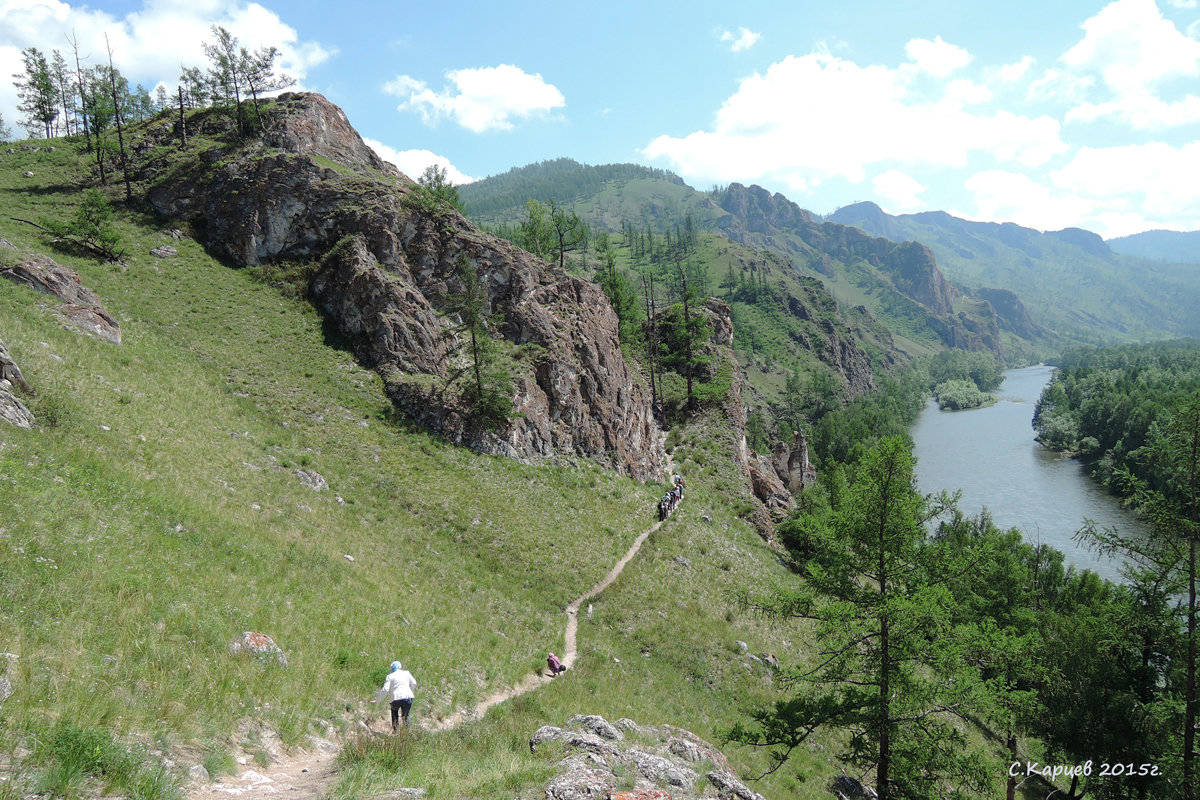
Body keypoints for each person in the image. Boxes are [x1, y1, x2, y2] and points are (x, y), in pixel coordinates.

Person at [375, 660, 418, 730]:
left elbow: (385, 690)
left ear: (392, 668)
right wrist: (411, 692)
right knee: (406, 716)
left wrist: (378, 700)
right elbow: (414, 683)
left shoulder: (389, 676)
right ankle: (408, 734)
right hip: (407, 697)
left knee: (394, 713)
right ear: (400, 667)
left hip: (395, 698)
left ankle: (396, 733)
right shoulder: (406, 673)